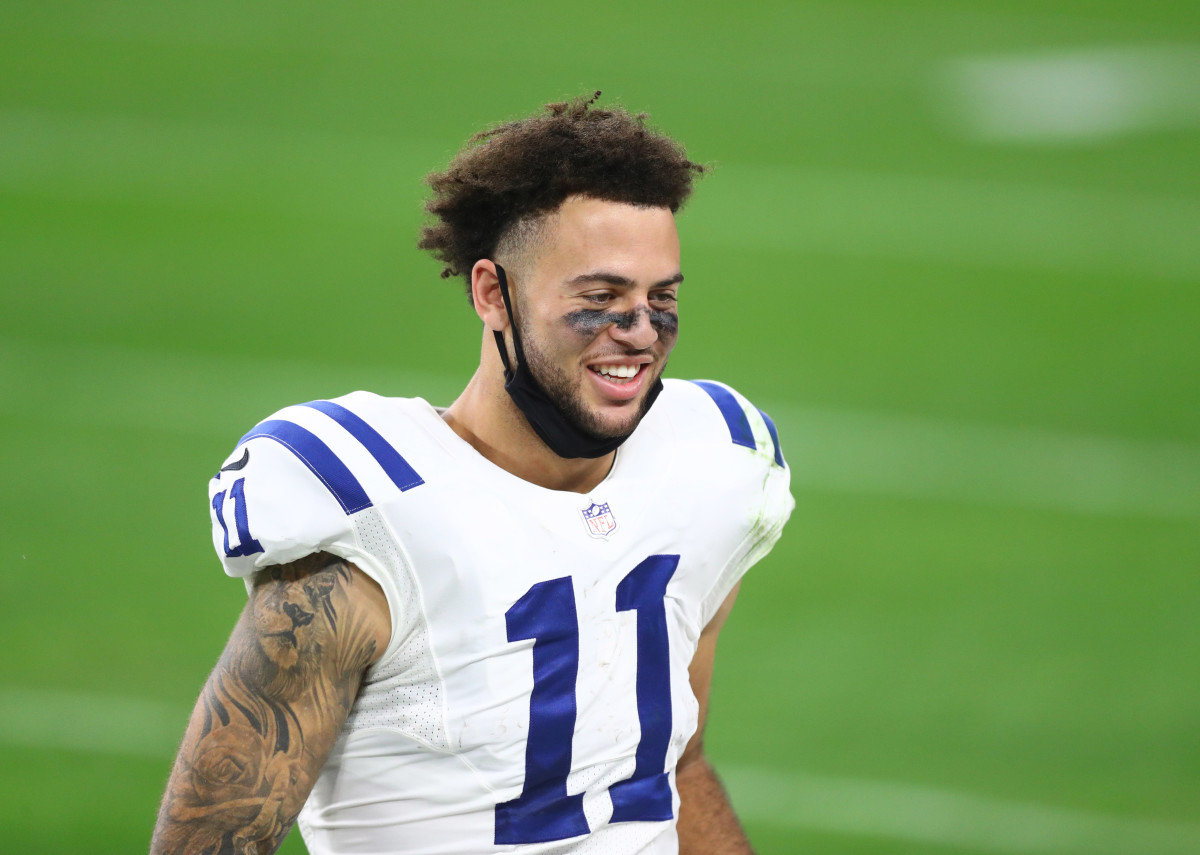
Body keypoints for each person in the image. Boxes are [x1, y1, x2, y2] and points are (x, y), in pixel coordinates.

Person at [151, 93, 793, 855]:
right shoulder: (374, 519)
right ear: (493, 293)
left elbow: (673, 767)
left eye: (662, 298)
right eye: (601, 298)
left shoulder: (708, 468)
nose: (640, 333)